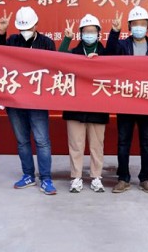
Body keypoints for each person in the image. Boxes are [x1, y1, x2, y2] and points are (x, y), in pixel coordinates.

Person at [0, 7, 58, 195]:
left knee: (42, 141)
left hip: (38, 101)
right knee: (22, 141)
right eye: (22, 28)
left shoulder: (47, 43)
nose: (25, 31)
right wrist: (2, 32)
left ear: (36, 24)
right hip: (15, 100)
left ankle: (46, 179)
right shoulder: (12, 40)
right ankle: (28, 175)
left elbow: (55, 68)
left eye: (28, 27)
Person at [105, 7, 148, 194]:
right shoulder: (122, 46)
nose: (139, 27)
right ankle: (123, 178)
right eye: (135, 24)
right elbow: (109, 54)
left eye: (142, 24)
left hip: (147, 101)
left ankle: (146, 179)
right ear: (129, 26)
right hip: (126, 101)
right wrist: (114, 32)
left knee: (147, 142)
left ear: (147, 26)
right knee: (123, 142)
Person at [59, 14, 109, 193]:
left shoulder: (107, 54)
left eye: (92, 31)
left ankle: (96, 177)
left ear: (98, 33)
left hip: (98, 106)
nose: (89, 34)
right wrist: (66, 39)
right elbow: (57, 59)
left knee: (97, 145)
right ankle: (76, 177)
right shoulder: (74, 53)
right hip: (75, 106)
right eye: (86, 31)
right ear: (81, 33)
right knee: (76, 144)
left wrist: (99, 61)